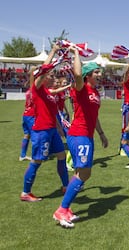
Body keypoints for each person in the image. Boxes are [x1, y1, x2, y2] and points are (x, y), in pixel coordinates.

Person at [53, 51, 108, 228]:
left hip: (88, 135)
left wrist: (101, 133)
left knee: (81, 172)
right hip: (79, 134)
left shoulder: (96, 93)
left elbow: (95, 115)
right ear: (88, 75)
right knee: (84, 173)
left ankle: (66, 209)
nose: (100, 75)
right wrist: (77, 52)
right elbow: (77, 74)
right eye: (96, 72)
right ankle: (62, 209)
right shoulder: (81, 88)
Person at [20, 44, 69, 202]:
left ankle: (66, 186)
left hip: (52, 130)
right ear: (41, 77)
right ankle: (26, 192)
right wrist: (53, 52)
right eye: (50, 76)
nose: (53, 77)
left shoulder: (47, 92)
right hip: (41, 130)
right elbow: (44, 69)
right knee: (37, 161)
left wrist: (59, 128)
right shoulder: (37, 89)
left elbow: (53, 112)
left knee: (62, 155)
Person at [19, 77, 35, 161]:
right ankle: (35, 156)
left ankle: (22, 155)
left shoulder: (28, 91)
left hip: (25, 114)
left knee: (27, 135)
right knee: (34, 136)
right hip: (31, 115)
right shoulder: (33, 90)